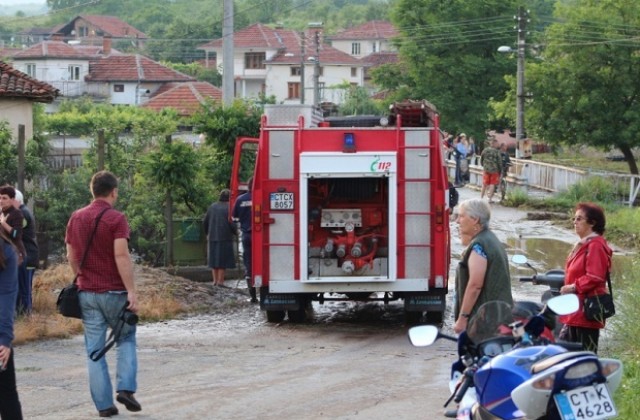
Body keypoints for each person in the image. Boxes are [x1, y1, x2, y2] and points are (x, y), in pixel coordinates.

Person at [65, 171, 141, 417]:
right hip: (115, 292)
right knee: (125, 339)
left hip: (87, 294)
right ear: (114, 192)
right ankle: (126, 388)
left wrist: (82, 278)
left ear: (92, 190)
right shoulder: (116, 219)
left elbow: (71, 256)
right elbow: (121, 255)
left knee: (94, 350)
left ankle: (104, 406)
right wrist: (131, 290)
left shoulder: (75, 218)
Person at [559, 202, 612, 353]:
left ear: (592, 223)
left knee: (583, 360)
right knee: (564, 354)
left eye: (579, 219)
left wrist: (573, 287)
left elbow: (595, 276)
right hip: (576, 311)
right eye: (574, 218)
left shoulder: (595, 245)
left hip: (586, 312)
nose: (575, 222)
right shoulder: (584, 244)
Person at [454, 198, 513, 334]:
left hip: (485, 320)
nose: (457, 221)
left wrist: (463, 318)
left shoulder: (479, 245)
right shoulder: (490, 239)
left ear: (475, 220)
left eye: (462, 216)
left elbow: (475, 285)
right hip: (498, 314)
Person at [0, 229, 23, 419]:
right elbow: (7, 297)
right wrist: (4, 338)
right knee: (7, 394)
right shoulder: (7, 250)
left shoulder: (6, 251)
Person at [203, 189, 236, 287]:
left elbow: (205, 222)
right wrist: (236, 232)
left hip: (212, 236)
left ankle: (215, 281)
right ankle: (221, 282)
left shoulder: (212, 207)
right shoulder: (229, 208)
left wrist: (207, 233)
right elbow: (232, 223)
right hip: (225, 237)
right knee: (222, 260)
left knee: (214, 259)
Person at [14, 190, 38, 315]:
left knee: (23, 288)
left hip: (27, 257)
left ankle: (25, 316)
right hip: (28, 256)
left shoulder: (21, 213)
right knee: (23, 288)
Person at [232, 178, 256, 303]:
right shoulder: (261, 197)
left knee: (248, 262)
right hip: (261, 237)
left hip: (246, 235)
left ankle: (253, 296)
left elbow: (234, 217)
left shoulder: (240, 199)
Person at [479, 139, 503, 203]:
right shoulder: (497, 152)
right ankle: (489, 199)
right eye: (497, 143)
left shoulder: (485, 150)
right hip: (494, 170)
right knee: (492, 184)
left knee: (484, 184)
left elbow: (481, 159)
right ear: (494, 144)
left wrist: (483, 165)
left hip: (486, 169)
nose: (497, 145)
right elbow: (499, 162)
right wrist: (500, 171)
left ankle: (481, 198)